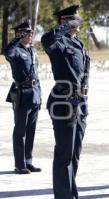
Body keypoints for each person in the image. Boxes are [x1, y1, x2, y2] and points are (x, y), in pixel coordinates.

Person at [41, 4, 90, 199]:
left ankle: (70, 193)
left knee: (74, 154)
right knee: (64, 154)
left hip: (79, 102)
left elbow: (85, 70)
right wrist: (66, 25)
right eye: (73, 19)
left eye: (77, 19)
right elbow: (46, 40)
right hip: (63, 102)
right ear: (64, 21)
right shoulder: (57, 43)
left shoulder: (78, 43)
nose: (77, 23)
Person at [4, 20, 42, 175]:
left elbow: (36, 74)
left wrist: (39, 95)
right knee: (20, 131)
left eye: (31, 33)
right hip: (22, 93)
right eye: (27, 33)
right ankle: (19, 165)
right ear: (20, 34)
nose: (30, 35)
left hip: (34, 93)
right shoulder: (15, 51)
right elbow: (7, 52)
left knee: (31, 130)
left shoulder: (32, 51)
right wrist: (16, 39)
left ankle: (28, 161)